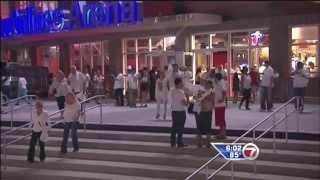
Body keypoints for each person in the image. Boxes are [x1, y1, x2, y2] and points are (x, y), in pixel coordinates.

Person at [195, 80, 214, 148]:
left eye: (208, 85)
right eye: (206, 84)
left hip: (207, 111)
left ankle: (207, 143)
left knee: (208, 128)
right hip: (200, 111)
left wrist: (205, 97)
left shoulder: (212, 92)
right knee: (200, 128)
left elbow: (212, 100)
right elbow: (196, 98)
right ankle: (199, 143)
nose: (207, 86)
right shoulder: (200, 91)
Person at [169, 77, 188, 148]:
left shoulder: (172, 90)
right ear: (178, 83)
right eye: (181, 82)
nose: (182, 84)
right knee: (180, 128)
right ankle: (179, 142)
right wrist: (187, 98)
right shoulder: (181, 92)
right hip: (180, 111)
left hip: (174, 111)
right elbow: (184, 103)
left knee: (174, 127)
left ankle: (172, 142)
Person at [214, 73, 227, 139]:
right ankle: (221, 133)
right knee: (219, 120)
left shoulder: (221, 82)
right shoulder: (218, 83)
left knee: (221, 120)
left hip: (220, 104)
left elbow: (224, 91)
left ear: (217, 77)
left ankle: (223, 134)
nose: (214, 79)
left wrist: (222, 99)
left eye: (215, 78)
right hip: (217, 104)